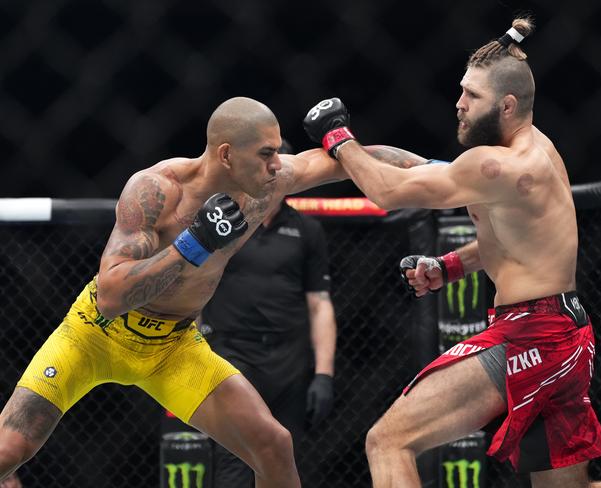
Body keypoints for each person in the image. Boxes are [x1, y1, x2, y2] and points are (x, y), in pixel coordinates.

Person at [303, 17, 601, 488]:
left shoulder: (498, 165)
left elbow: (389, 190)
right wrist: (451, 266)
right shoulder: (542, 150)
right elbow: (515, 242)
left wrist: (337, 136)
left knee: (388, 440)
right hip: (566, 331)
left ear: (507, 105)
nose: (459, 105)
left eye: (472, 97)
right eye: (462, 91)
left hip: (530, 335)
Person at [0, 97, 350, 488]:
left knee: (273, 443)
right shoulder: (155, 189)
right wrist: (194, 244)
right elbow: (111, 298)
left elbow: (346, 161)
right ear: (227, 154)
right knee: (9, 451)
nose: (277, 163)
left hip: (172, 346)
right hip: (95, 334)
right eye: (266, 153)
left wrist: (425, 169)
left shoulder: (268, 185)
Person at [202, 164, 336, 486]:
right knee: (233, 458)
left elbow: (319, 304)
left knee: (285, 459)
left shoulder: (307, 230)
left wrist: (324, 375)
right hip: (232, 354)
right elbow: (197, 288)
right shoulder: (224, 223)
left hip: (289, 360)